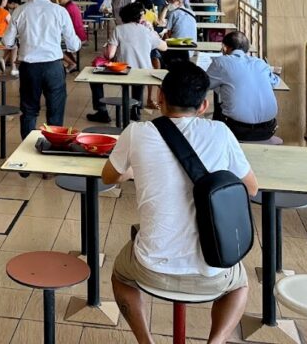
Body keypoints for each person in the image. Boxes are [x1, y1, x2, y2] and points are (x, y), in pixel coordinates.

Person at [102, 62, 256, 344]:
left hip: (151, 269)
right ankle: (216, 341)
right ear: (204, 105)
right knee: (240, 286)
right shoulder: (221, 132)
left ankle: (146, 342)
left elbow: (109, 176)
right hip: (214, 271)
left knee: (120, 276)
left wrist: (135, 168)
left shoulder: (136, 132)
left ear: (159, 97)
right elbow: (251, 188)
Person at [3, 0, 82, 137]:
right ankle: (53, 149)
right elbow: (73, 45)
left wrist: (17, 43)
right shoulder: (60, 11)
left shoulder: (20, 10)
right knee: (55, 112)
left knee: (29, 111)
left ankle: (27, 152)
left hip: (29, 68)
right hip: (53, 67)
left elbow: (7, 42)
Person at [87, 3, 168, 123]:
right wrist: (153, 35)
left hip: (123, 72)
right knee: (139, 78)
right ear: (139, 17)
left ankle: (102, 111)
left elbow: (110, 55)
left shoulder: (119, 29)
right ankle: (135, 109)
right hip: (144, 74)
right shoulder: (147, 30)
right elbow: (164, 47)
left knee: (94, 80)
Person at [206, 31, 279, 141]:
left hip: (237, 129)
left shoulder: (220, 62)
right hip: (268, 128)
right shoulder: (260, 63)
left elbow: (205, 84)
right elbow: (275, 81)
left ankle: (218, 143)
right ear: (247, 49)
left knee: (219, 106)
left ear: (224, 48)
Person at [56, 0, 88, 72]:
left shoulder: (67, 9)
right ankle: (72, 62)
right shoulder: (72, 6)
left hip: (77, 36)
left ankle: (72, 63)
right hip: (80, 34)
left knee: (55, 45)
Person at [163, 0, 198, 65]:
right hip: (191, 46)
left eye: (171, 2)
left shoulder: (173, 13)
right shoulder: (192, 13)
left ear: (178, 2)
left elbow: (167, 34)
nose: (169, 4)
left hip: (178, 49)